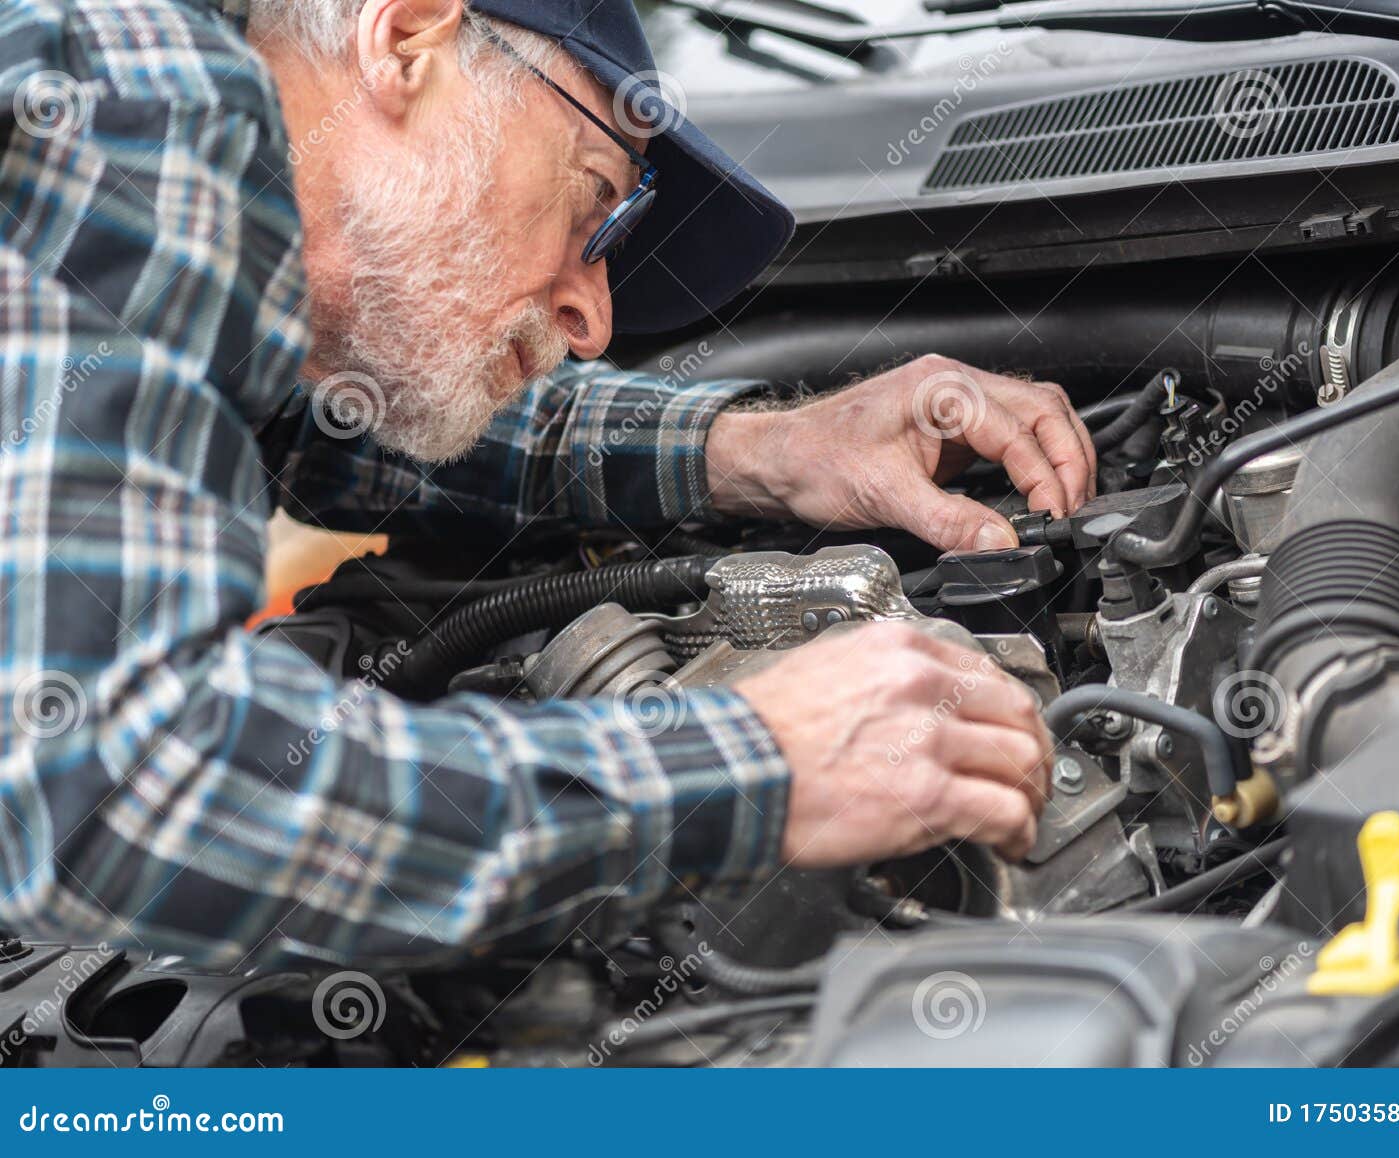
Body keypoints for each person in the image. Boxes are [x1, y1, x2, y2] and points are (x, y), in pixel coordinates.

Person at [0, 0, 1095, 966]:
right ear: (409, 37)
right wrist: (747, 767)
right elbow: (116, 791)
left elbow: (324, 433)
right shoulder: (136, 94)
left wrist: (769, 452)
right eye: (595, 207)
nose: (593, 318)